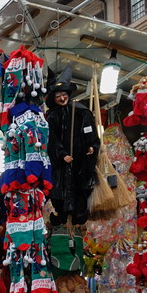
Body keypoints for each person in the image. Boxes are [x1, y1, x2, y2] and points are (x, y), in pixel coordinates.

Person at [45, 67, 100, 227]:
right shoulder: (52, 116)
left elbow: (90, 130)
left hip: (80, 162)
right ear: (53, 98)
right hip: (61, 166)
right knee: (59, 191)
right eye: (57, 96)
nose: (62, 98)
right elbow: (51, 138)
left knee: (80, 189)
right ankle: (61, 217)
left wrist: (91, 145)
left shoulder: (81, 111)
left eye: (64, 95)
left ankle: (78, 218)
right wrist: (62, 154)